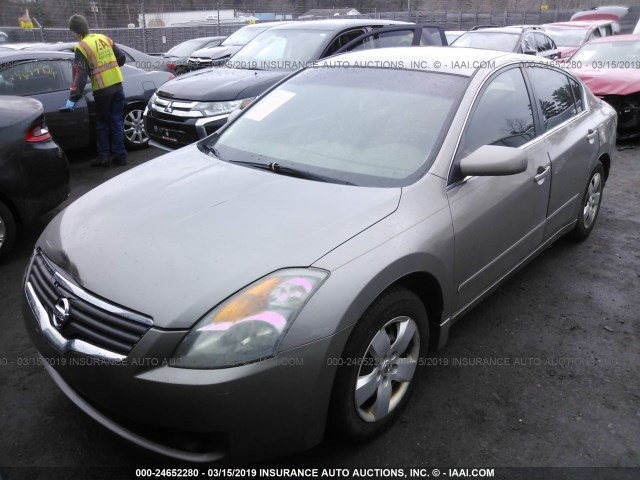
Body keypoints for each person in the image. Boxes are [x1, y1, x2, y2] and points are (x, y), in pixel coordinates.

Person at [65, 14, 127, 166]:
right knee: (117, 122)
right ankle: (121, 157)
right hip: (118, 86)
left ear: (77, 32)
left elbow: (80, 74)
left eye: (74, 32)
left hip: (102, 90)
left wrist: (73, 98)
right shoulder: (104, 38)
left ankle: (104, 157)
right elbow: (122, 58)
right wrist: (110, 69)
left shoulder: (82, 46)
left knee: (102, 124)